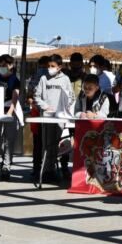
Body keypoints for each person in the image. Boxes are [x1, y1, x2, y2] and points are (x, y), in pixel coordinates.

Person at [33, 54, 73, 183]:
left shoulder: (65, 79)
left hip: (61, 117)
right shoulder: (44, 78)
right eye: (48, 66)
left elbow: (71, 97)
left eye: (53, 66)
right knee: (46, 145)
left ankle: (54, 169)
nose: (50, 68)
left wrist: (65, 107)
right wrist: (45, 106)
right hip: (47, 117)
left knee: (57, 145)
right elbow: (37, 96)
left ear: (59, 67)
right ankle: (46, 171)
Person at [0, 54, 21, 180]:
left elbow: (15, 97)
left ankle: (6, 166)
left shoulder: (14, 80)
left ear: (11, 65)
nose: (2, 67)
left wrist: (10, 112)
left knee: (9, 139)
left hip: (9, 111)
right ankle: (4, 160)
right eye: (0, 65)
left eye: (4, 65)